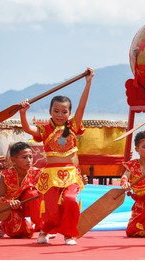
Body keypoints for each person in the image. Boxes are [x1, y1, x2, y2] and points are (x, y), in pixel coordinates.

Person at [19, 67, 94, 245]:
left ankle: (69, 234)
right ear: (50, 111)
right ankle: (45, 229)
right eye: (57, 111)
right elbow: (28, 129)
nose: (60, 115)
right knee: (51, 208)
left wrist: (88, 83)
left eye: (64, 111)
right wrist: (23, 113)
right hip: (50, 174)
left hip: (70, 173)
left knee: (69, 200)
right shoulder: (45, 129)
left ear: (69, 113)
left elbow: (82, 106)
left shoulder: (73, 126)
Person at [0, 142, 41, 238]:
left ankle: (42, 226)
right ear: (13, 160)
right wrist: (10, 202)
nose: (29, 160)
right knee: (24, 233)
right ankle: (3, 226)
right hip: (10, 208)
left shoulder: (38, 173)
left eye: (30, 157)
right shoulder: (6, 175)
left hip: (27, 206)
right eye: (24, 157)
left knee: (33, 193)